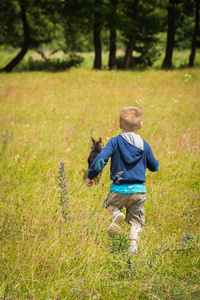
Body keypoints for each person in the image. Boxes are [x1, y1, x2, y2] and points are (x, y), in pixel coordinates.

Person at [87, 105, 159, 253]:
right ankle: (132, 250)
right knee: (136, 222)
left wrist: (91, 175)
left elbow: (101, 160)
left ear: (119, 124)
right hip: (138, 192)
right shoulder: (144, 145)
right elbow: (155, 166)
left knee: (110, 204)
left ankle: (116, 213)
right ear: (141, 125)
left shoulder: (114, 141)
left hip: (118, 189)